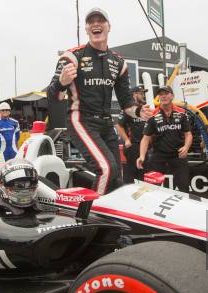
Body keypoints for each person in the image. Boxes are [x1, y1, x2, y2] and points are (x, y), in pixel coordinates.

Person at [48, 7, 153, 195]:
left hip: (106, 123)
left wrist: (139, 112)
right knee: (106, 169)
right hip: (80, 120)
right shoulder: (72, 57)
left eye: (100, 20)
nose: (96, 24)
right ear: (87, 29)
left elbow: (126, 102)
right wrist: (62, 83)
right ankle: (95, 216)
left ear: (108, 27)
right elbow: (53, 97)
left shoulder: (119, 63)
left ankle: (115, 216)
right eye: (91, 22)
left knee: (117, 176)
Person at [137, 86, 192, 193]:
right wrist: (142, 156)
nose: (163, 96)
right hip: (159, 155)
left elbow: (188, 134)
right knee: (150, 187)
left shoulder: (182, 113)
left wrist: (186, 147)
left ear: (172, 96)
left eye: (166, 93)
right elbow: (145, 138)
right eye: (161, 94)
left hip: (178, 154)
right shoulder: (153, 115)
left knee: (184, 186)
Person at [116, 85, 148, 183]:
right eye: (141, 93)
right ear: (134, 94)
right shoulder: (128, 109)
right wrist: (126, 140)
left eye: (143, 93)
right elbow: (118, 125)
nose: (143, 96)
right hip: (133, 146)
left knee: (143, 174)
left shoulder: (144, 108)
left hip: (145, 146)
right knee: (130, 176)